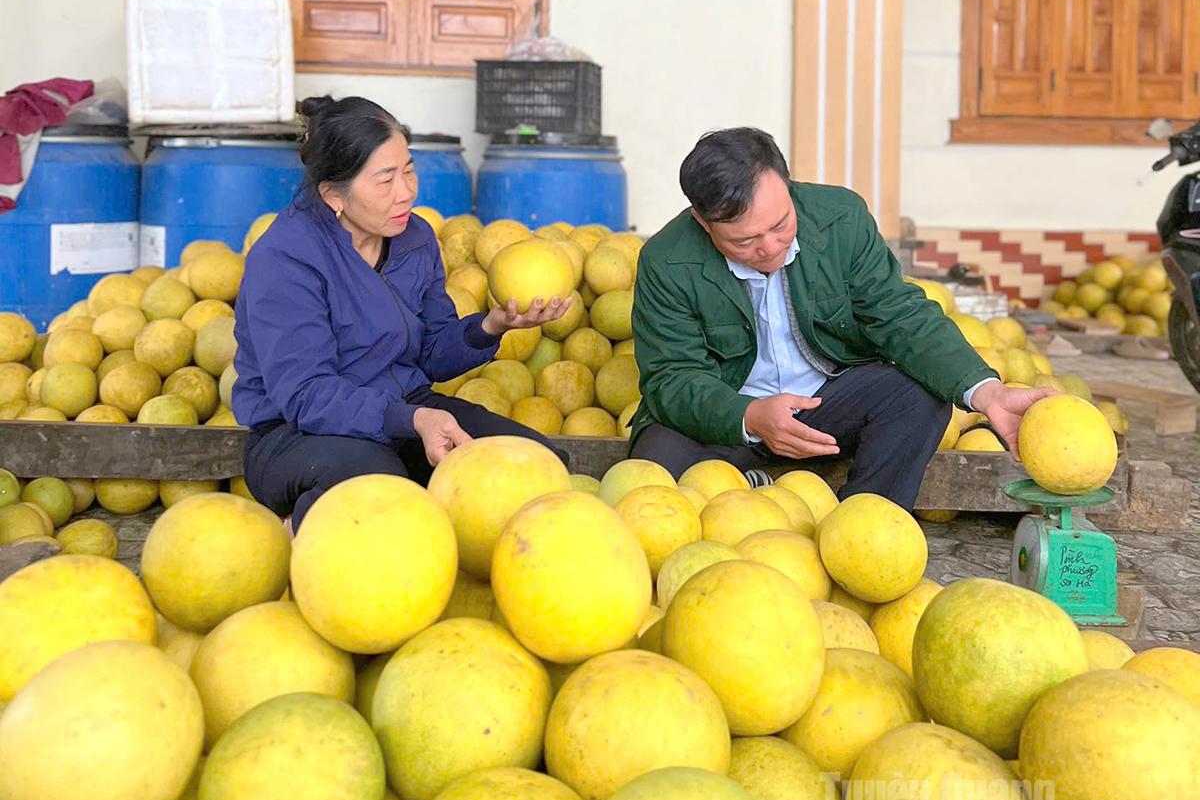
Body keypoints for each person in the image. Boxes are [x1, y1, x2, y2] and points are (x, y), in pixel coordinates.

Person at [628, 127, 1047, 510]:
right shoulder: (666, 261)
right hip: (729, 414)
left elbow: (900, 314)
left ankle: (863, 521)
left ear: (788, 186)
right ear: (703, 223)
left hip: (825, 406)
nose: (770, 247)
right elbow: (672, 377)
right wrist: (750, 416)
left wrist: (988, 393)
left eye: (780, 225)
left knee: (917, 394)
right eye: (745, 241)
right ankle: (746, 486)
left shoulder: (839, 218)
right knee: (653, 473)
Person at [233, 95, 569, 528]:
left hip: (403, 412)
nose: (406, 191)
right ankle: (307, 531)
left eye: (408, 170)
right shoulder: (285, 259)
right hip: (299, 434)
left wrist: (490, 325)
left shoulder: (415, 239)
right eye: (385, 179)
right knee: (380, 490)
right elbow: (307, 394)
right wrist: (413, 418)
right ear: (334, 194)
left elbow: (431, 351)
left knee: (539, 466)